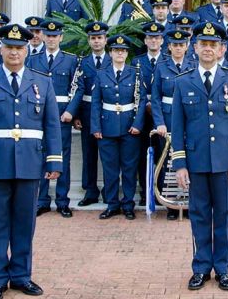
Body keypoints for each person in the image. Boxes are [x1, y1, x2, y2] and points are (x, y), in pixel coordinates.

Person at [0, 23, 62, 299]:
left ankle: (21, 276)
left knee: (24, 222)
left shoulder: (42, 82)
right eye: (9, 47)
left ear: (27, 50)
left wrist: (54, 160)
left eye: (19, 48)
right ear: (1, 49)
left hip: (30, 162)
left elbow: (51, 124)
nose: (14, 52)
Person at [171, 21, 228, 291]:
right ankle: (201, 267)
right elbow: (177, 127)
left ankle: (224, 269)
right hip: (196, 162)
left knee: (224, 216)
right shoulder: (183, 82)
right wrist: (179, 164)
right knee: (199, 215)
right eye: (203, 44)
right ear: (195, 48)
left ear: (222, 49)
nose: (207, 49)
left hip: (225, 162)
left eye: (213, 44)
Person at [91, 35, 148, 219]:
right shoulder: (101, 73)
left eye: (123, 51)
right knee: (110, 168)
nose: (120, 53)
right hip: (107, 128)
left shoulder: (135, 73)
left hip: (129, 128)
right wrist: (96, 127)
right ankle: (112, 204)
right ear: (110, 52)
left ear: (127, 53)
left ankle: (128, 204)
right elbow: (96, 102)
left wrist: (138, 124)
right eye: (116, 50)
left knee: (129, 168)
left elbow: (141, 101)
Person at [29, 20, 78, 217]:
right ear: (42, 37)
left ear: (61, 38)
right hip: (38, 115)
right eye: (47, 36)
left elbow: (76, 88)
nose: (51, 39)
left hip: (61, 115)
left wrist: (71, 111)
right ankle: (41, 200)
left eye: (54, 36)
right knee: (40, 156)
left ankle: (62, 200)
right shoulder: (33, 59)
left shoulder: (70, 60)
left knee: (62, 157)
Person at [152, 28, 196, 220]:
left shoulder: (193, 65)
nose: (178, 48)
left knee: (190, 162)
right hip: (168, 123)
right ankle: (170, 205)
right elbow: (155, 99)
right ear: (168, 46)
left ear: (187, 46)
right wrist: (159, 123)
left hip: (189, 121)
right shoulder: (161, 67)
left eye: (181, 45)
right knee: (167, 164)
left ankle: (189, 203)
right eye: (174, 45)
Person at [67, 21, 109, 206]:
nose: (97, 41)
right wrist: (75, 115)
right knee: (89, 154)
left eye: (100, 37)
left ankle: (110, 190)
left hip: (108, 114)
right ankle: (90, 190)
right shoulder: (82, 62)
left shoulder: (113, 59)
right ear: (89, 40)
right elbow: (77, 89)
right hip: (86, 113)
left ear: (106, 39)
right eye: (93, 38)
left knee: (108, 155)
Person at [132, 22, 165, 206]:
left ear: (162, 40)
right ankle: (145, 192)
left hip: (162, 116)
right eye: (150, 38)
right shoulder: (137, 61)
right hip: (142, 115)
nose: (153, 41)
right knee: (144, 156)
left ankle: (159, 192)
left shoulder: (167, 60)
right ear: (145, 40)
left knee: (162, 154)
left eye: (157, 38)